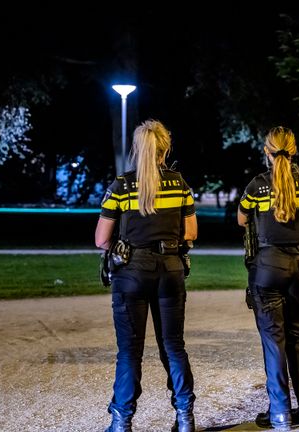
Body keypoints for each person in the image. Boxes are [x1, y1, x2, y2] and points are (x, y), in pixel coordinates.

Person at [95, 119, 198, 432]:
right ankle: (184, 418)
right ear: (164, 150)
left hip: (132, 274)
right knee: (174, 346)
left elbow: (101, 239)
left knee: (129, 350)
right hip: (170, 271)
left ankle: (121, 420)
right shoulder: (180, 183)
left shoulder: (122, 185)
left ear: (137, 149)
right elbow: (191, 233)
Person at [237, 126, 299, 430]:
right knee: (297, 338)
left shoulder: (257, 186)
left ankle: (281, 414)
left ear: (266, 150)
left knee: (274, 341)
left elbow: (241, 218)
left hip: (268, 268)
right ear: (293, 149)